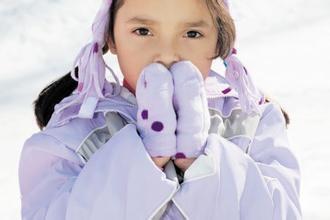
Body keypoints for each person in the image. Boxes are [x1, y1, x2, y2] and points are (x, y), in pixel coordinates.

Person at [18, 0, 301, 219]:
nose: (167, 53)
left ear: (219, 41)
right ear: (111, 38)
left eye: (192, 33)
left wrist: (203, 161)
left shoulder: (251, 121)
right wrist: (142, 159)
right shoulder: (72, 133)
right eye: (143, 31)